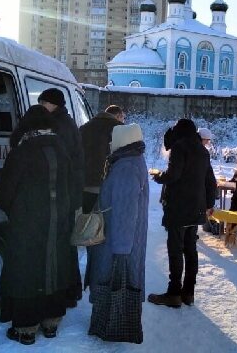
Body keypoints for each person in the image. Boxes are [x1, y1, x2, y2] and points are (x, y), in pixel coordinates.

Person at [0, 105, 73, 345]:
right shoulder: (62, 149)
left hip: (28, 223)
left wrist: (15, 211)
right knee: (54, 267)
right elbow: (71, 186)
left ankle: (26, 328)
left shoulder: (21, 152)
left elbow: (3, 194)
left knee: (27, 271)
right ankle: (51, 323)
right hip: (59, 220)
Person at [86, 123, 149, 344]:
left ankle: (112, 327)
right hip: (123, 238)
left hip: (117, 240)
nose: (111, 143)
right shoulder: (132, 160)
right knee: (118, 283)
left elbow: (125, 209)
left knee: (113, 282)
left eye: (114, 138)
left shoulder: (126, 167)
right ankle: (113, 324)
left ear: (124, 140)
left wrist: (121, 250)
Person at [148, 119, 216, 308]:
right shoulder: (202, 151)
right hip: (196, 209)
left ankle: (174, 293)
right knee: (190, 250)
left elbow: (174, 175)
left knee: (175, 250)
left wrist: (159, 176)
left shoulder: (179, 147)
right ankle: (188, 293)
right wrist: (208, 204)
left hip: (179, 208)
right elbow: (210, 181)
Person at [37, 88, 85, 308]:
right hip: (68, 193)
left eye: (43, 102)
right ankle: (71, 291)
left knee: (61, 245)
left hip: (62, 193)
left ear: (52, 104)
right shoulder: (66, 122)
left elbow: (60, 163)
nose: (40, 106)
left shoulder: (59, 125)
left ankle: (66, 292)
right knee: (66, 244)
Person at [79, 105, 125, 213]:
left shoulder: (85, 127)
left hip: (85, 182)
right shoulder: (120, 129)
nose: (123, 120)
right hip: (108, 183)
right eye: (123, 117)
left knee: (86, 220)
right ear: (118, 116)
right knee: (106, 219)